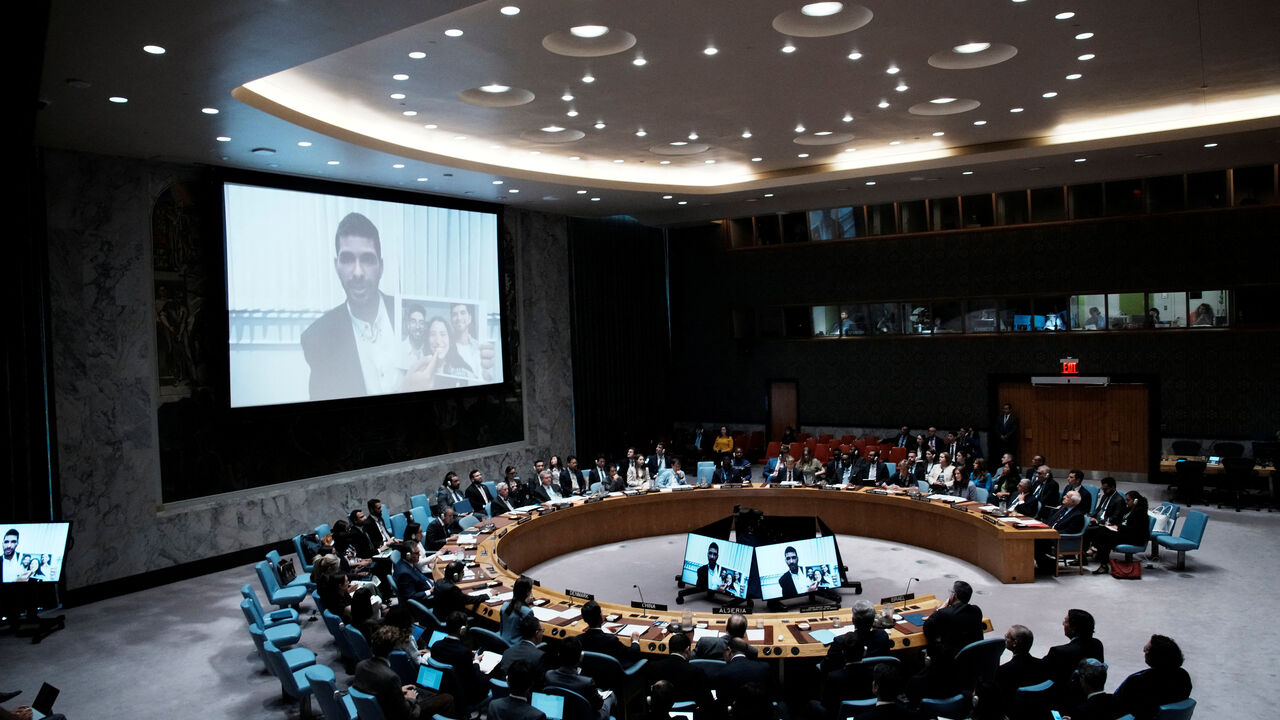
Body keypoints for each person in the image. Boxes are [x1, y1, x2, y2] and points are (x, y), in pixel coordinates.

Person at [300, 212, 400, 400]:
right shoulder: (317, 339)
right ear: (336, 266)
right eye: (347, 259)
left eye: (367, 259)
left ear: (381, 266)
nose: (357, 272)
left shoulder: (411, 314)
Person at [353, 624, 455, 720]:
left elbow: (376, 690)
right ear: (392, 650)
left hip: (375, 713)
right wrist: (411, 699)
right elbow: (408, 715)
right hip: (395, 715)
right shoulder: (390, 677)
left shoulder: (360, 666)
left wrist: (399, 690)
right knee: (447, 698)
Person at [1113, 635, 1192, 720]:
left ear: (1156, 657)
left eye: (1147, 650)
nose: (1144, 651)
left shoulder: (1138, 682)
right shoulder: (1183, 677)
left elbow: (1117, 707)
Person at [543, 637, 615, 720]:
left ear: (559, 655)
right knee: (611, 696)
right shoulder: (587, 682)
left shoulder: (549, 675)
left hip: (561, 714)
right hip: (586, 717)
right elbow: (598, 705)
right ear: (581, 657)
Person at [644, 631, 716, 709]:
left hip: (662, 710)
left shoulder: (653, 667)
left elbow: (650, 693)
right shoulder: (696, 672)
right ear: (687, 649)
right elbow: (707, 701)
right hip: (690, 709)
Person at [1045, 609, 1106, 696]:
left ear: (1073, 628)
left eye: (1066, 622)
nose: (1063, 624)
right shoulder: (1097, 645)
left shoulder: (1059, 652)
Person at [1088, 491, 1149, 574]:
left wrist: (1118, 527)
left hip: (1135, 537)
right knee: (1102, 530)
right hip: (1125, 533)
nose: (1126, 502)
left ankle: (1098, 554)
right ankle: (1098, 554)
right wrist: (1112, 524)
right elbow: (1120, 520)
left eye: (1128, 500)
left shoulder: (1140, 512)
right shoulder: (1128, 509)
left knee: (1107, 537)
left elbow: (1135, 529)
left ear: (1135, 501)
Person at [922, 580, 984, 660]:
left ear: (953, 596)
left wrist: (941, 608)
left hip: (950, 663)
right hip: (973, 660)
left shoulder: (945, 613)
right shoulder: (977, 610)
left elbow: (927, 626)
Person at [578, 600, 642, 667]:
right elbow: (632, 654)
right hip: (613, 675)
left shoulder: (578, 640)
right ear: (601, 617)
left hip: (589, 674)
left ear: (584, 619)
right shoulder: (611, 640)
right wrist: (635, 641)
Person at [1036, 490, 1086, 571]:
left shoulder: (1077, 515)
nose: (1063, 497)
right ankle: (1044, 564)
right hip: (1049, 533)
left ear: (1072, 502)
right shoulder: (1062, 508)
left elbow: (1070, 531)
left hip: (1061, 539)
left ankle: (1047, 565)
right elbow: (1050, 521)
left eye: (1067, 497)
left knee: (1035, 541)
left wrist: (1052, 533)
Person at [994, 625, 1049, 699]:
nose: (1005, 639)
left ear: (1015, 643)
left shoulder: (1004, 670)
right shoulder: (1042, 665)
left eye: (1007, 637)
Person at [450, 302, 496, 381]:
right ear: (451, 320)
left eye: (463, 313)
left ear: (470, 318)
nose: (459, 318)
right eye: (454, 314)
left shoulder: (480, 346)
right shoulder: (447, 347)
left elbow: (489, 378)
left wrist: (488, 372)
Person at [494, 613, 547, 680]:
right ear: (536, 633)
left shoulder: (507, 652)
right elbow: (539, 683)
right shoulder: (539, 656)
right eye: (542, 631)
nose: (542, 634)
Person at [500, 576, 534, 645]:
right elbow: (530, 638)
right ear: (528, 592)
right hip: (517, 648)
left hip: (501, 643)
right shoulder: (527, 612)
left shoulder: (504, 606)